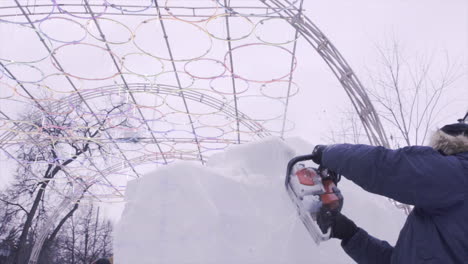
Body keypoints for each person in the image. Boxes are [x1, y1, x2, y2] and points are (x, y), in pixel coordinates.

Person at [311, 113, 468, 264]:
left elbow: (387, 168)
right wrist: (350, 234)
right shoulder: (443, 207)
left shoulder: (459, 173)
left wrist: (329, 154)